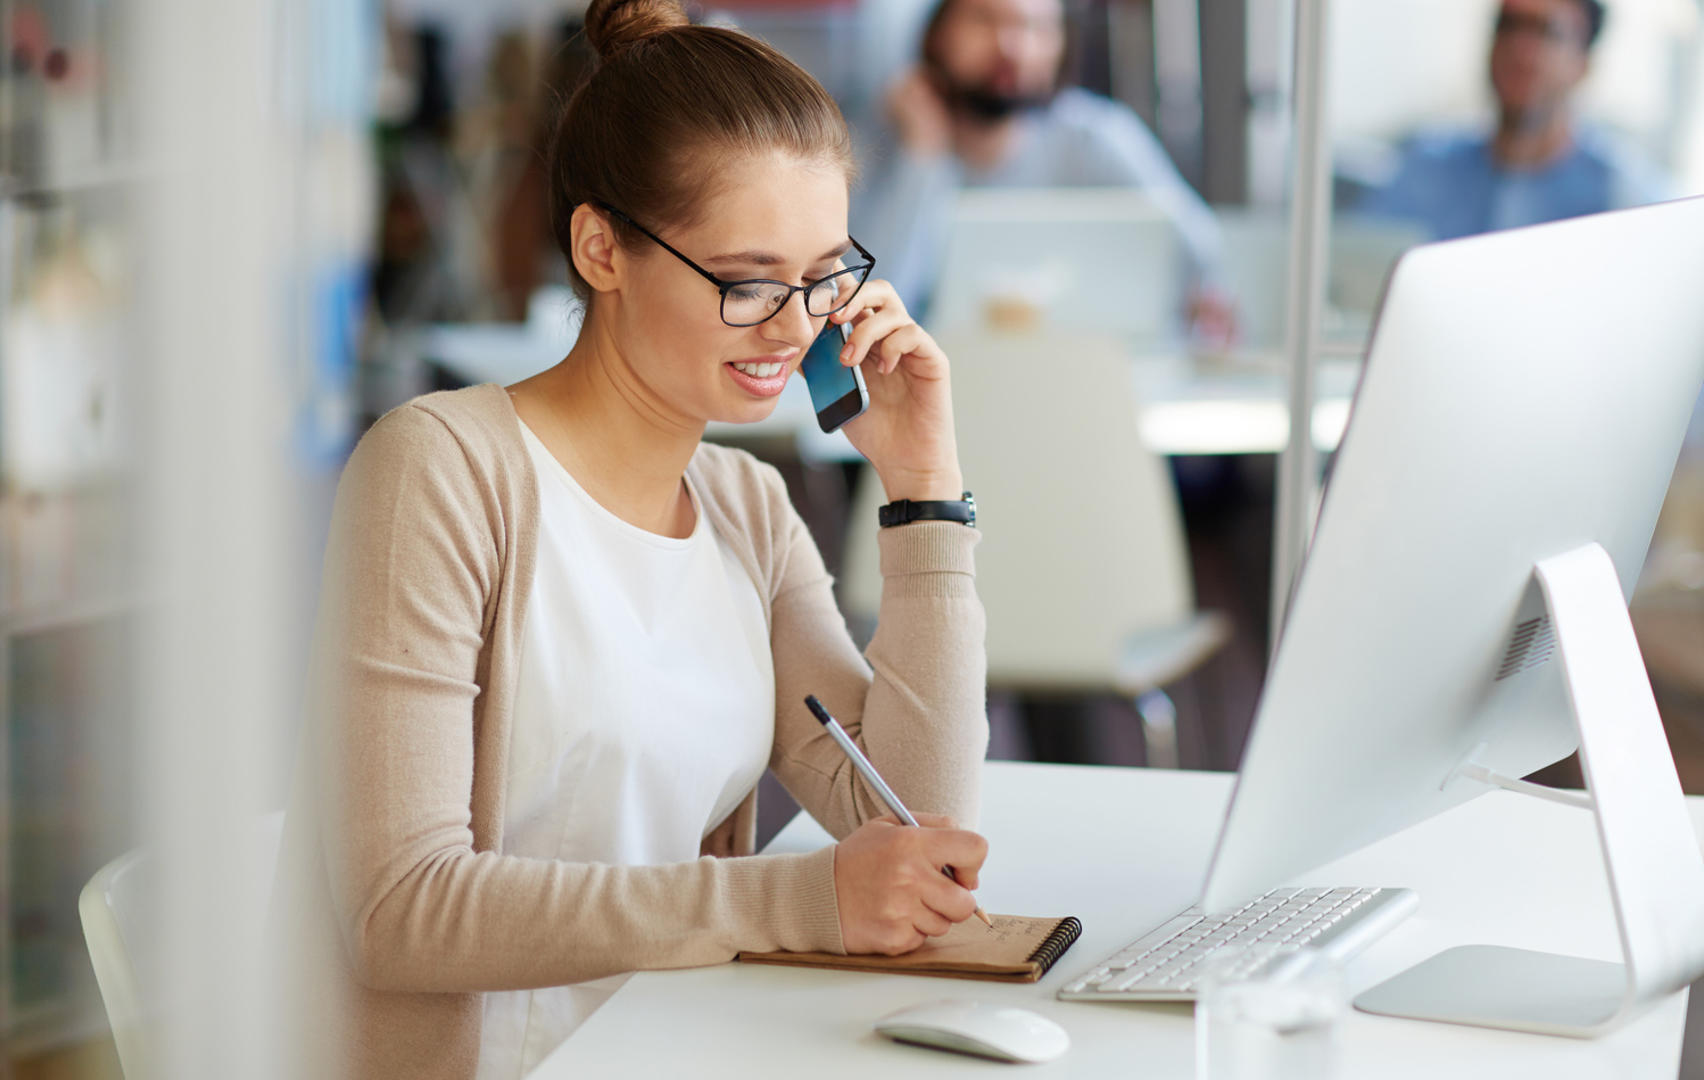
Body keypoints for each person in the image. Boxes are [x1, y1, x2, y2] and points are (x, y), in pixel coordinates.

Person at [273, 2, 992, 1078]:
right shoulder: (440, 471)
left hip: (667, 1052)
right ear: (601, 246)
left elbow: (913, 822)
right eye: (748, 281)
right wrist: (790, 899)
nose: (797, 330)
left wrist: (925, 491)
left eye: (821, 277)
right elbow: (401, 909)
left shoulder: (746, 509)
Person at [856, 0, 1233, 340]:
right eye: (985, 21)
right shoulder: (881, 148)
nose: (1012, 47)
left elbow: (1202, 258)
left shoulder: (1096, 138)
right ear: (938, 35)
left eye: (1036, 27)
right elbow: (864, 300)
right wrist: (923, 157)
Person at [1360, 0, 1668, 240]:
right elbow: (1358, 268)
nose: (1520, 49)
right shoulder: (1427, 171)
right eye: (1508, 26)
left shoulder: (1627, 201)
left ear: (1583, 64)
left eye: (1545, 31)